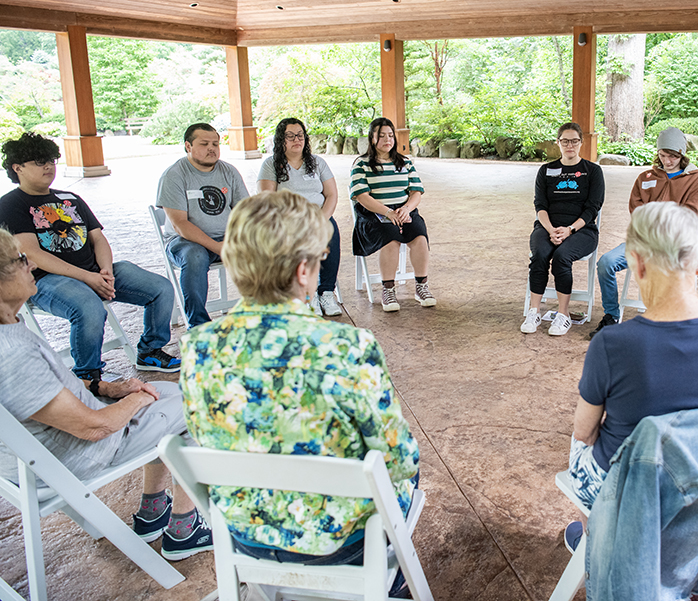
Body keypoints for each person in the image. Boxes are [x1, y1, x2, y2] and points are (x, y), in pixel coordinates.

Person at [179, 190, 419, 586]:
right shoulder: (345, 347)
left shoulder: (197, 347)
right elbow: (400, 461)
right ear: (304, 271)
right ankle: (388, 585)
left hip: (246, 534)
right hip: (340, 540)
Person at [0, 227, 213, 561]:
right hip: (74, 455)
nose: (30, 265)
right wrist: (136, 400)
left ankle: (152, 512)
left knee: (165, 390)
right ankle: (185, 528)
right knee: (196, 403)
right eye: (20, 260)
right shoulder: (11, 353)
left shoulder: (9, 327)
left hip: (40, 452)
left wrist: (106, 387)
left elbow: (50, 386)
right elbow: (93, 427)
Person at [565, 202, 698, 550]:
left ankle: (594, 541)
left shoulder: (612, 344)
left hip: (631, 494)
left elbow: (584, 432)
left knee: (578, 440)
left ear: (637, 262)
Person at [0, 133, 181, 380]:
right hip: (46, 280)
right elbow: (33, 253)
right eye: (39, 162)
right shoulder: (11, 204)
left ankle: (150, 350)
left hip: (94, 272)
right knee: (89, 307)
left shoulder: (70, 198)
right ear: (17, 168)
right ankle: (88, 374)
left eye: (51, 160)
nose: (48, 166)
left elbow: (98, 238)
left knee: (160, 288)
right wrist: (88, 277)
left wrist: (104, 271)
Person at [589, 127, 698, 338]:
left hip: (673, 244)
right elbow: (636, 210)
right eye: (663, 155)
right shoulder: (646, 177)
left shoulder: (695, 178)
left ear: (682, 154)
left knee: (663, 269)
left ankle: (668, 318)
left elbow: (689, 213)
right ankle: (611, 316)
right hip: (644, 241)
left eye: (673, 156)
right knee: (606, 262)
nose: (667, 161)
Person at [156, 123, 249, 328]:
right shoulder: (174, 175)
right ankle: (198, 326)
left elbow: (246, 211)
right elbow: (180, 224)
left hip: (226, 237)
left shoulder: (229, 171)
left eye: (215, 143)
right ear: (188, 146)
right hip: (185, 242)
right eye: (204, 143)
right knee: (195, 256)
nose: (212, 148)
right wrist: (218, 247)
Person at [521, 122, 604, 336]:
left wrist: (569, 229)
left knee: (562, 257)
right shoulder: (546, 170)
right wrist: (550, 229)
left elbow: (592, 208)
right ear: (558, 143)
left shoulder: (592, 171)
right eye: (565, 141)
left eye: (574, 141)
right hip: (547, 226)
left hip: (581, 230)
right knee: (539, 254)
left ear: (581, 143)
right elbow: (540, 206)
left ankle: (563, 314)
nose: (570, 145)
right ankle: (534, 311)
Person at [258, 118, 342, 317]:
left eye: (300, 135)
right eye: (290, 136)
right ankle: (307, 295)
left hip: (317, 216)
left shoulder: (318, 163)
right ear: (281, 140)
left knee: (330, 231)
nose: (297, 139)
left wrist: (321, 219)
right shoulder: (271, 165)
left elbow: (331, 194)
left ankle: (327, 292)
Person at [350, 117, 435, 312]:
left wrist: (407, 209)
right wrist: (388, 212)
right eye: (382, 136)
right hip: (374, 213)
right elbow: (362, 197)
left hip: (403, 210)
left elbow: (416, 192)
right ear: (372, 138)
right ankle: (388, 289)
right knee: (391, 239)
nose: (388, 139)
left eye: (390, 135)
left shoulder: (405, 162)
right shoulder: (361, 164)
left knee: (420, 237)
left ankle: (421, 286)